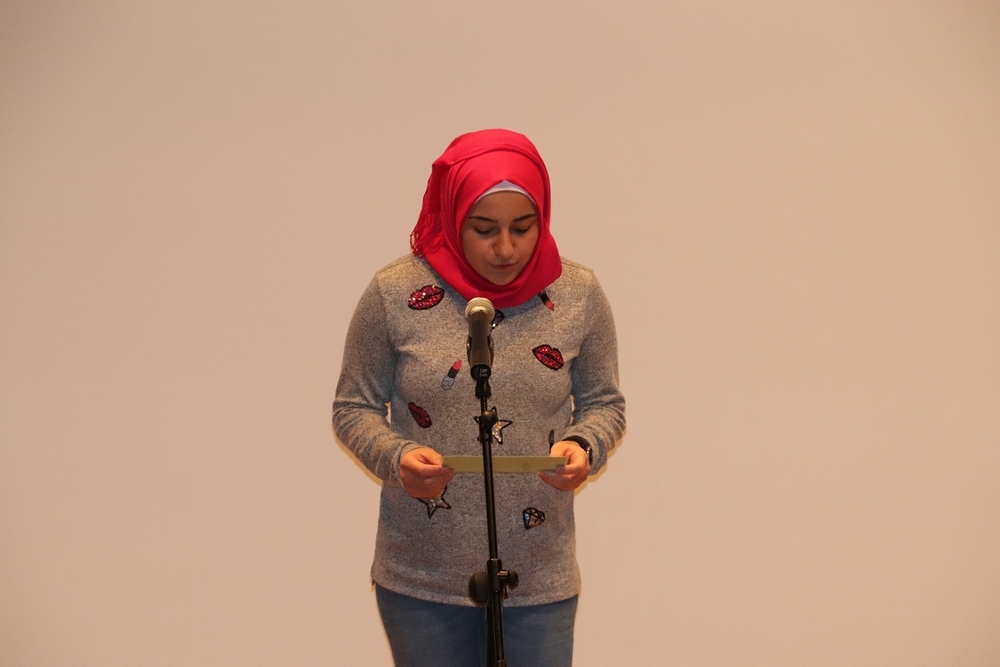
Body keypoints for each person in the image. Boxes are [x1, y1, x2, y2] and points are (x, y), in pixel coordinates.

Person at [332, 129, 625, 666]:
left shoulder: (578, 294)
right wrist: (397, 458)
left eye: (523, 227)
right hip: (421, 577)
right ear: (452, 218)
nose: (506, 248)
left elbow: (605, 403)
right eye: (484, 229)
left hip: (539, 575)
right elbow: (354, 407)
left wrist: (585, 446)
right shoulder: (394, 294)